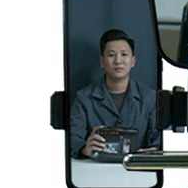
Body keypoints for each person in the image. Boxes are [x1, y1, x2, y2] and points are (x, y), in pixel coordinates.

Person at [69, 28, 160, 158]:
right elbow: (72, 139)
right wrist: (84, 149)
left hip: (136, 168)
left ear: (133, 61)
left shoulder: (150, 98)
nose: (118, 61)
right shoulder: (84, 98)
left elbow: (159, 141)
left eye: (124, 54)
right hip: (95, 167)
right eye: (111, 55)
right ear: (102, 61)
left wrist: (152, 152)